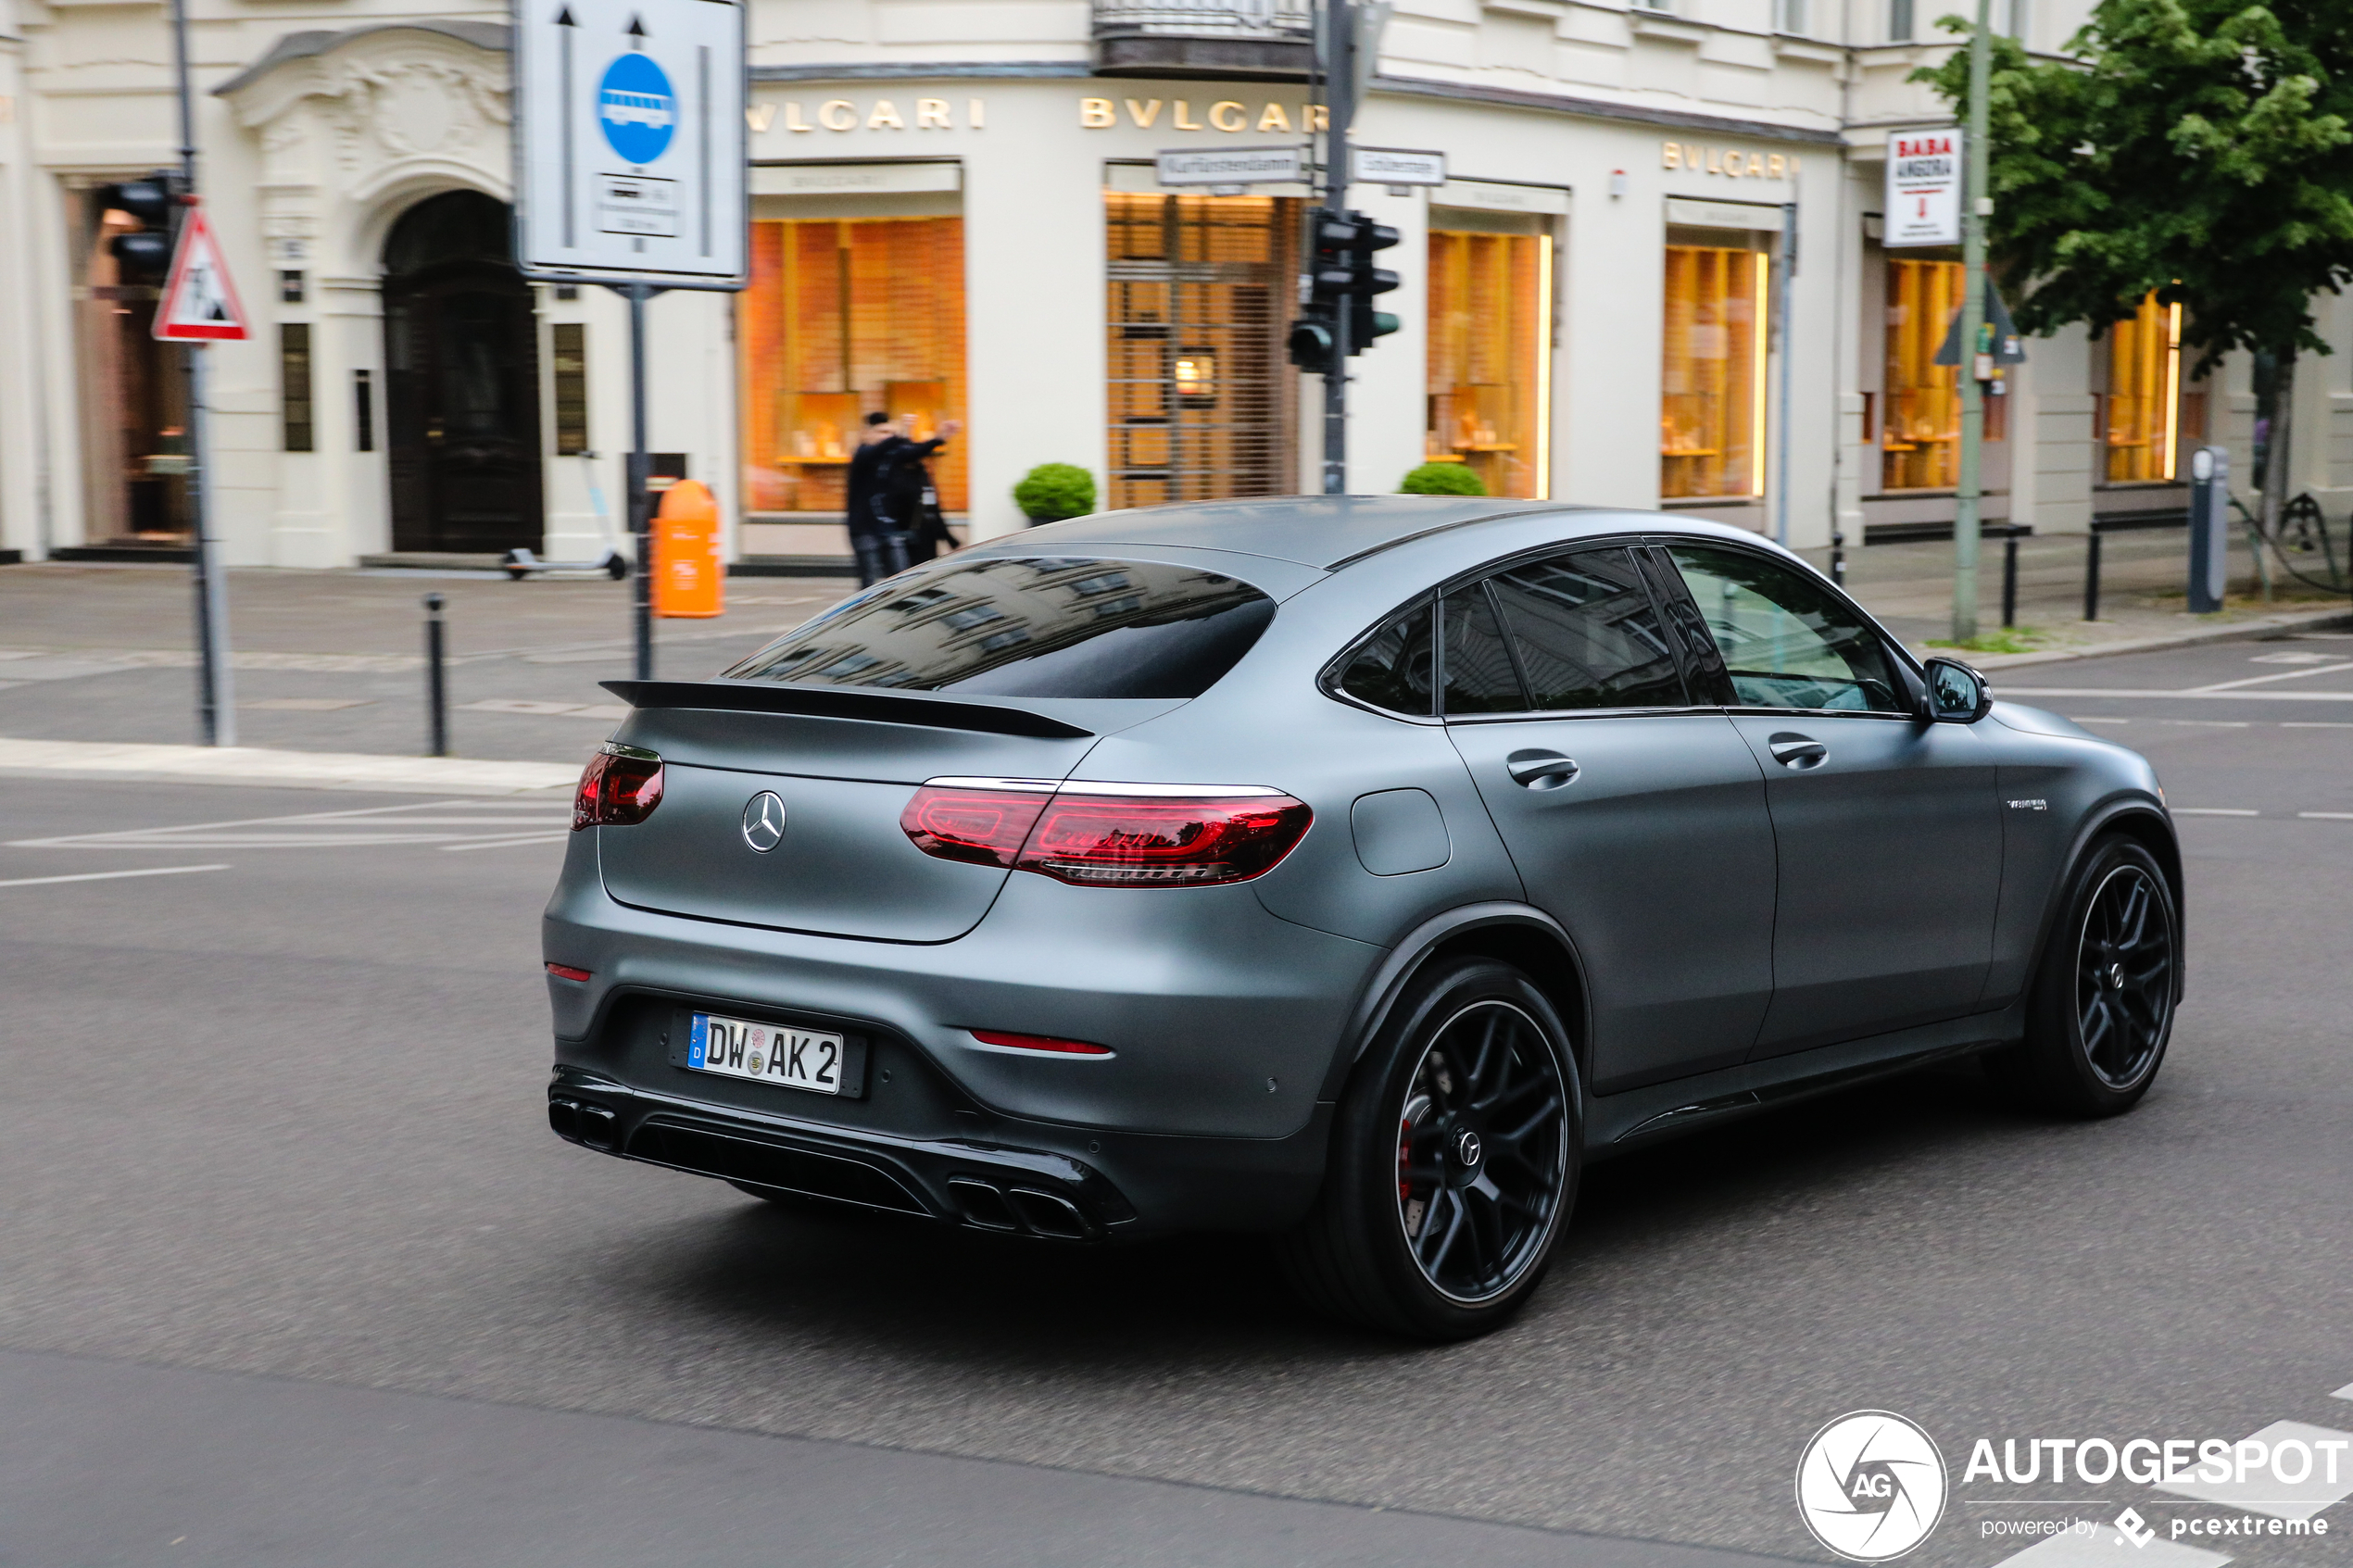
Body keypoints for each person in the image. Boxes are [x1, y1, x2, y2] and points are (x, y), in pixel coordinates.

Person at [862, 419, 962, 583]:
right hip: (902, 540)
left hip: (926, 539)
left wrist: (952, 541)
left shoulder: (921, 477)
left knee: (926, 582)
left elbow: (933, 510)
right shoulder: (891, 477)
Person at [843, 412, 899, 588]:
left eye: (889, 432)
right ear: (869, 433)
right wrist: (899, 435)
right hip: (864, 529)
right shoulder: (863, 454)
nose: (887, 437)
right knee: (868, 580)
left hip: (886, 526)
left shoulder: (888, 459)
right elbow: (877, 451)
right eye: (882, 432)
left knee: (900, 575)